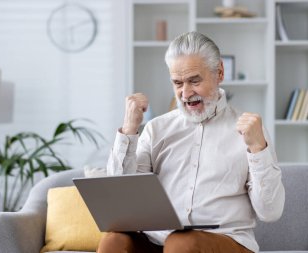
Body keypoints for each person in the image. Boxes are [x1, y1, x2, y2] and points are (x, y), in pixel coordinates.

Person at [97, 31, 285, 253]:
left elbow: (270, 212)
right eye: (177, 83)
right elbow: (121, 202)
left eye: (194, 81)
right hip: (160, 241)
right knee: (114, 241)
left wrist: (257, 149)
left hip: (225, 241)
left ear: (220, 73)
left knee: (182, 243)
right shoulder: (156, 129)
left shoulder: (251, 130)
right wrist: (129, 131)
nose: (185, 93)